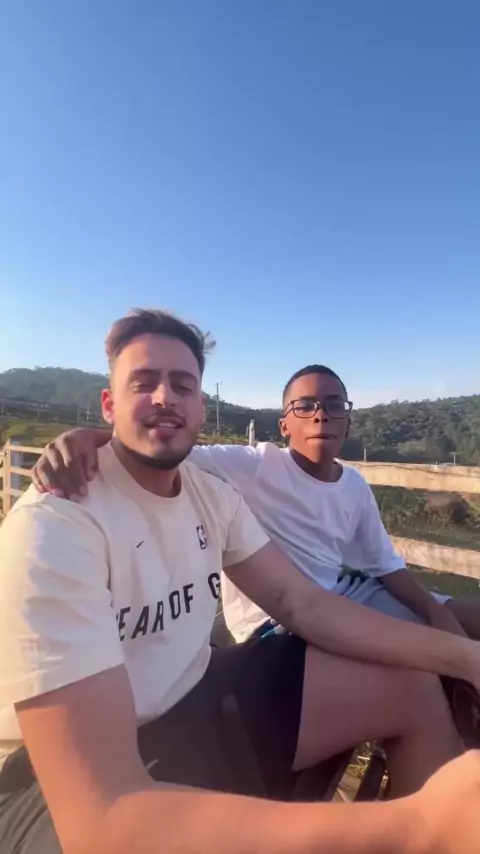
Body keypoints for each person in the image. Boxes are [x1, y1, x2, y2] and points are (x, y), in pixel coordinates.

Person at [0, 309, 479, 854]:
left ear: (201, 408)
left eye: (183, 385)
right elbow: (100, 821)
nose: (165, 397)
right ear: (109, 405)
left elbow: (303, 603)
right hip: (41, 785)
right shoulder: (56, 526)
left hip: (199, 695)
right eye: (143, 382)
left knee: (412, 688)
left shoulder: (211, 496)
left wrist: (465, 658)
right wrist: (420, 826)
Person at [36, 364, 480, 643]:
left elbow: (385, 566)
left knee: (465, 619)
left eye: (333, 405)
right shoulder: (251, 466)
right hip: (275, 624)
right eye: (304, 406)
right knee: (416, 667)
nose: (320, 414)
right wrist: (87, 437)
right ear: (284, 425)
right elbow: (161, 448)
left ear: (348, 419)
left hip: (344, 597)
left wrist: (435, 612)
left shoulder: (354, 487)